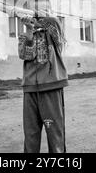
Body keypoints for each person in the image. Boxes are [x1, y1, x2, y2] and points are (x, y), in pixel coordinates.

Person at [18, 13, 68, 153]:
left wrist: (39, 16)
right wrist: (29, 29)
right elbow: (25, 55)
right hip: (30, 89)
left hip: (52, 86)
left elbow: (55, 24)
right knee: (31, 134)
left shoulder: (53, 33)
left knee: (55, 134)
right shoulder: (25, 36)